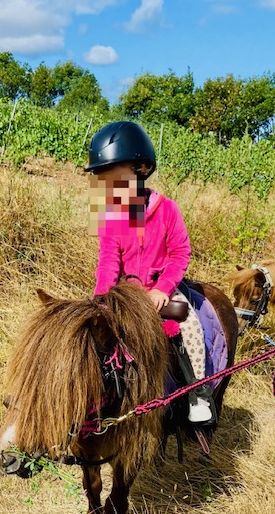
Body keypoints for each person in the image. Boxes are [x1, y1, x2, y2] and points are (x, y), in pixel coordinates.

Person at [86, 120, 212, 424]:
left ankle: (198, 394)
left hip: (161, 287)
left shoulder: (168, 209)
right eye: (105, 181)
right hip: (125, 292)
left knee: (189, 327)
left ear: (141, 170)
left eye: (117, 178)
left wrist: (163, 288)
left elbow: (181, 253)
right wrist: (102, 295)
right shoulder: (111, 215)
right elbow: (107, 261)